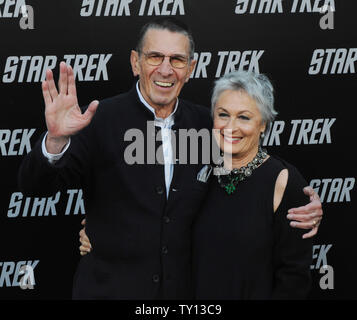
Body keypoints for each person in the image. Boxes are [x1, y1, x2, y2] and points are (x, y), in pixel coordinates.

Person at [18, 18, 322, 300]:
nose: (165, 70)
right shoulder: (98, 119)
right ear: (136, 62)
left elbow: (250, 172)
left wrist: (301, 204)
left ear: (190, 68)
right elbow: (36, 187)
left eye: (176, 60)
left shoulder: (207, 125)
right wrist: (56, 140)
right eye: (154, 57)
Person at [192, 70, 313, 299]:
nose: (231, 126)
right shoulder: (199, 172)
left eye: (244, 117)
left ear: (263, 125)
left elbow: (294, 278)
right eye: (223, 114)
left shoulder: (284, 181)